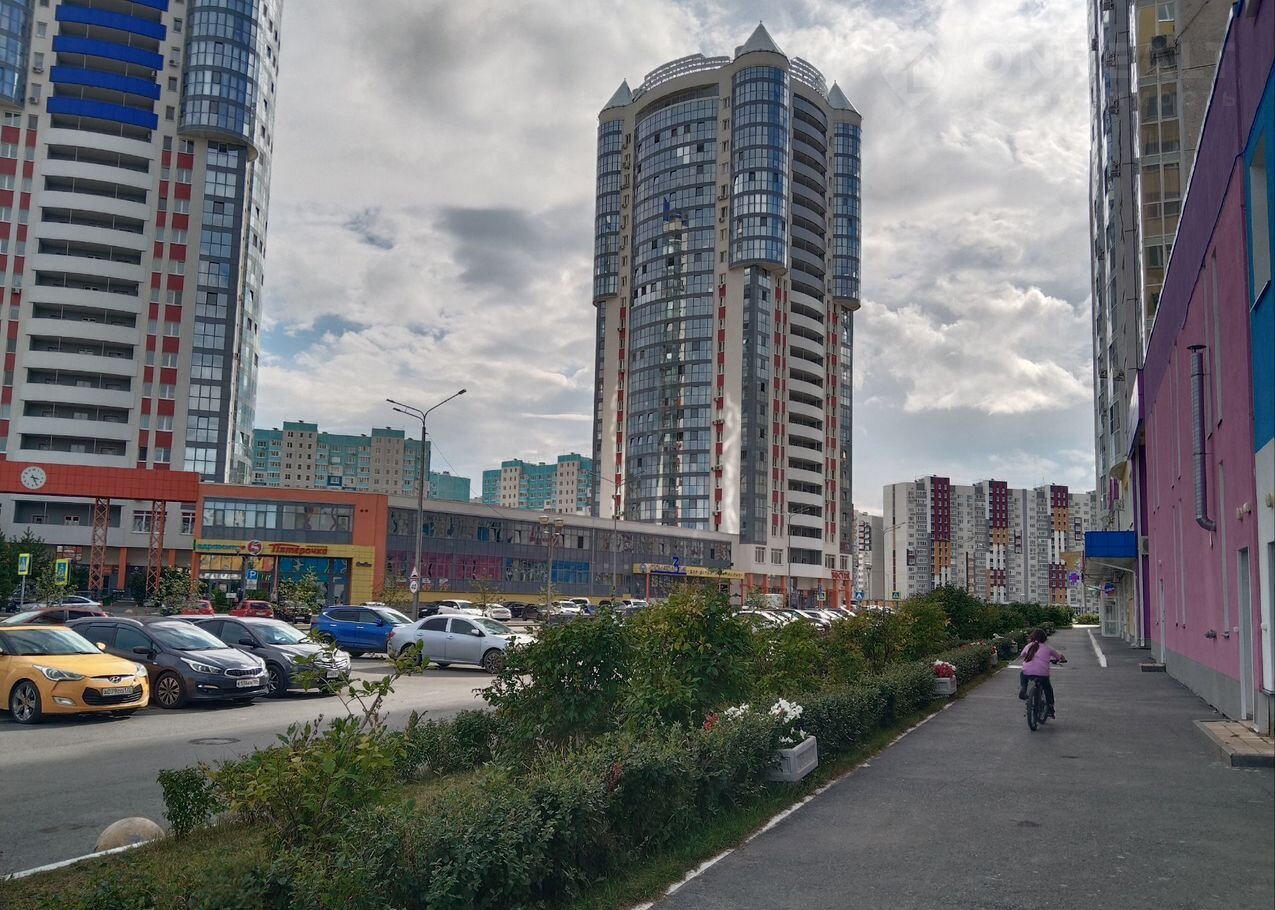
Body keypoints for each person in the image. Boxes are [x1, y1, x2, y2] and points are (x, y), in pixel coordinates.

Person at [1018, 629, 1066, 717]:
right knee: (1048, 689)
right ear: (1044, 638)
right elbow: (1059, 656)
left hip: (1027, 672)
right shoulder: (1048, 648)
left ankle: (1023, 689)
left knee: (1022, 673)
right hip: (1042, 674)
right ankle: (1050, 708)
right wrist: (1062, 659)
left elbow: (1022, 655)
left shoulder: (1029, 646)